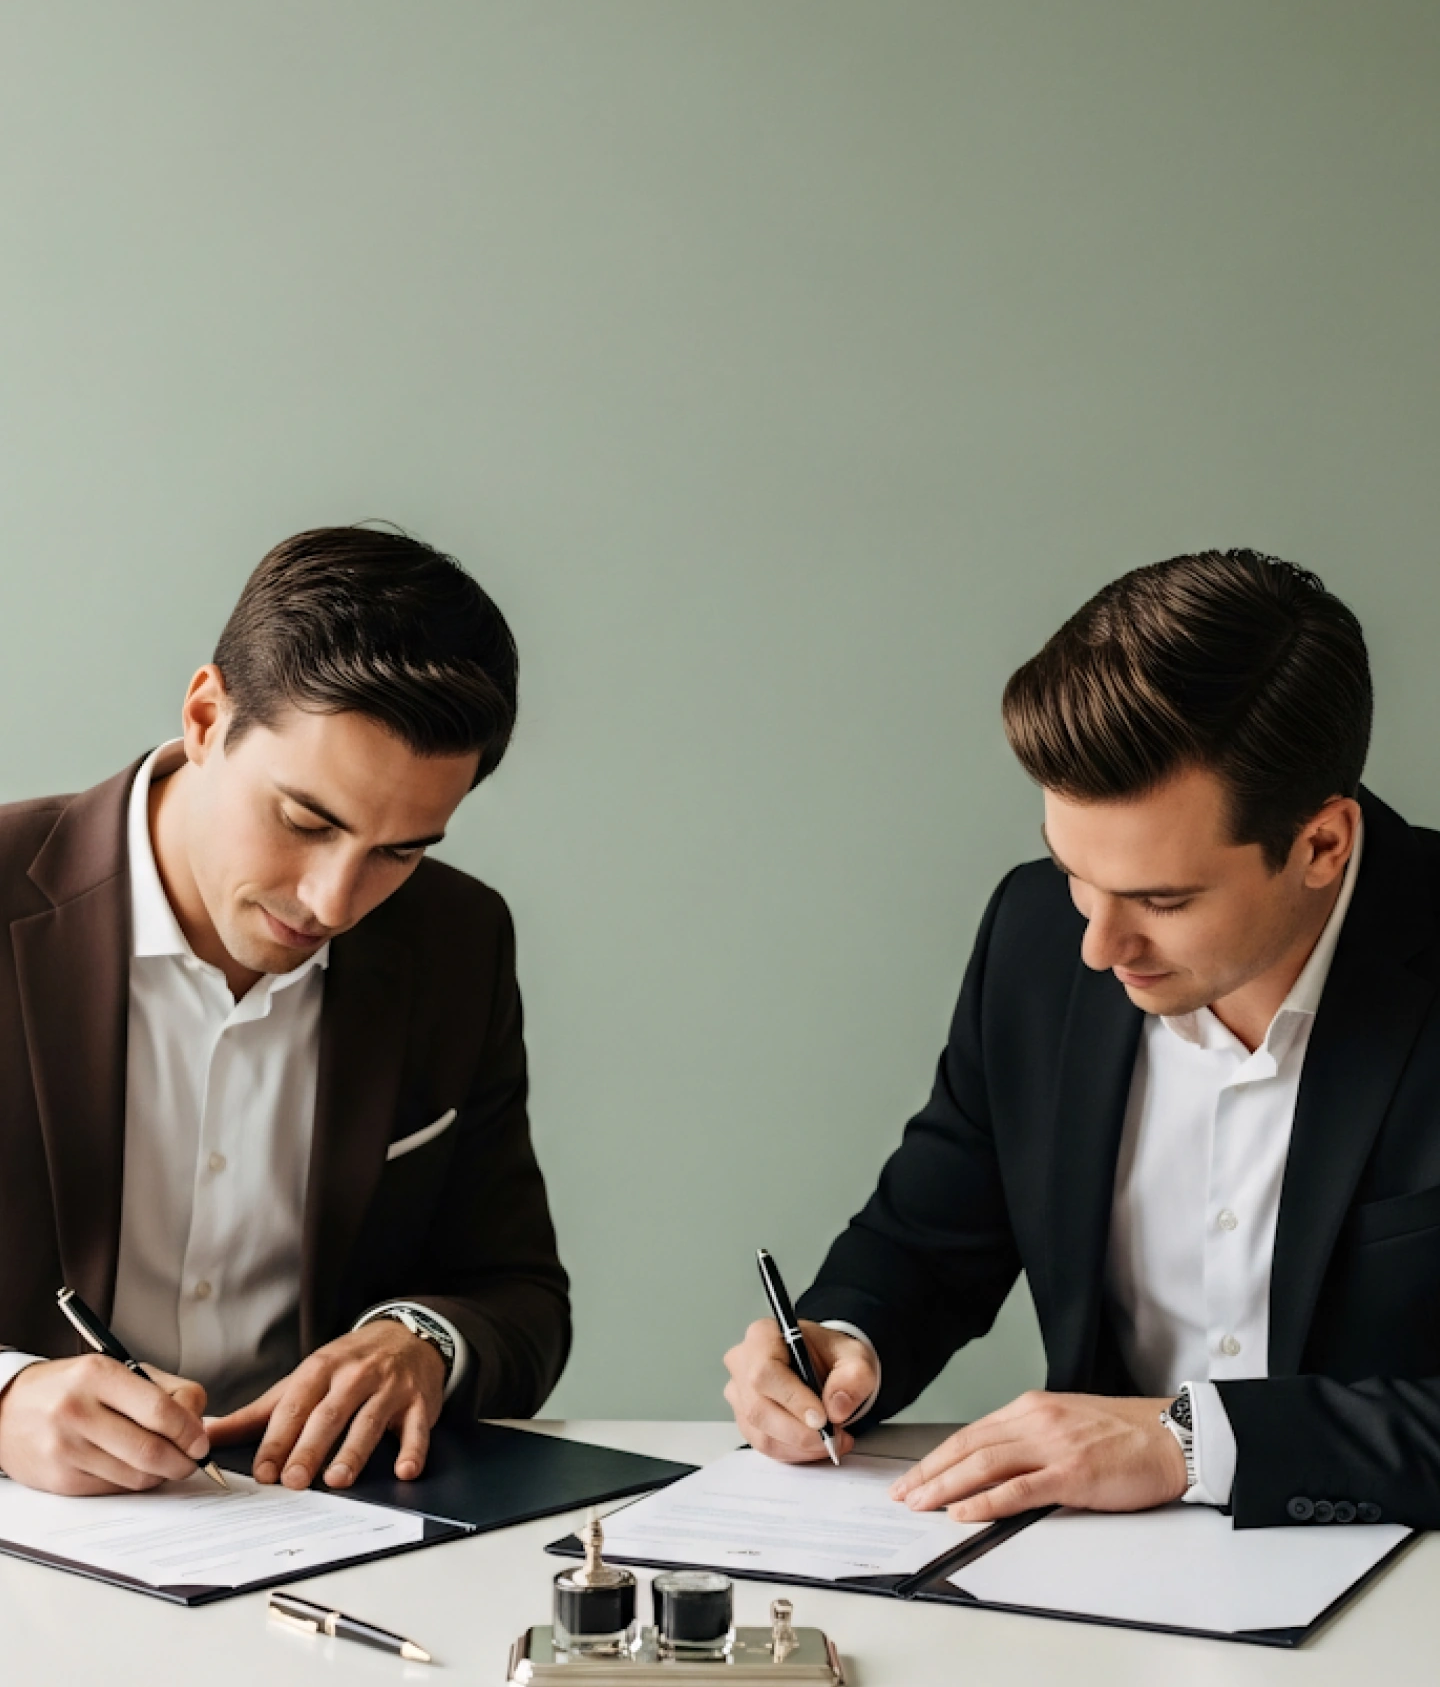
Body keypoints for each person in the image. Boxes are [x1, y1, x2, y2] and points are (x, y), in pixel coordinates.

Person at [724, 550, 1440, 1530]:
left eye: (1162, 899)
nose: (1100, 947)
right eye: (1073, 872)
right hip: (1096, 1582)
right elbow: (930, 1239)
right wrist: (844, 1347)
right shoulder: (1034, 932)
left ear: (1322, 844)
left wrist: (1188, 1441)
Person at [0, 526, 570, 1497]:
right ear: (206, 715)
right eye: (307, 820)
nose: (335, 902)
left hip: (320, 1543)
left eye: (402, 850)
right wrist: (5, 1403)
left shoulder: (457, 942)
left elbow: (519, 1294)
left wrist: (420, 1341)